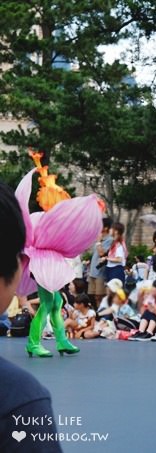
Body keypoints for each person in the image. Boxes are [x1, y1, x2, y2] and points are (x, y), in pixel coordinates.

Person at [0, 182, 62, 450]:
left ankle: (53, 341)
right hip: (47, 278)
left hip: (51, 279)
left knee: (54, 307)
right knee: (49, 308)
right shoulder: (17, 398)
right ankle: (36, 342)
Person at [87, 217, 113, 308]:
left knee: (99, 296)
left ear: (106, 228)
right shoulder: (99, 239)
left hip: (100, 272)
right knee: (92, 295)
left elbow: (102, 253)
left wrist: (98, 242)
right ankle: (95, 314)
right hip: (93, 272)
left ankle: (101, 315)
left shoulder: (110, 240)